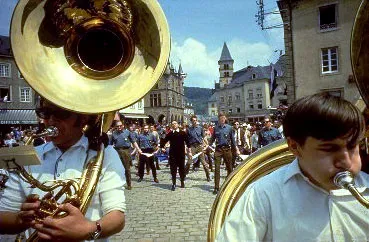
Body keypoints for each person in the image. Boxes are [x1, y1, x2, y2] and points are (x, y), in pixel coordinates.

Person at [216, 93, 369, 241]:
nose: (347, 162)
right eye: (329, 149)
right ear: (294, 146)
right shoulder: (263, 195)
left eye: (353, 146)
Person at [0, 101, 126, 241]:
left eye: (61, 114)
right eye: (45, 113)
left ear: (82, 117)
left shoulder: (105, 153)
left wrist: (88, 229)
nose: (51, 121)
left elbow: (117, 217)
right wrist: (21, 219)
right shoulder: (27, 156)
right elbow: (3, 216)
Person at [209, 113, 240, 195]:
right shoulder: (216, 128)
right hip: (218, 150)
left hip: (227, 149)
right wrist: (207, 146)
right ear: (219, 119)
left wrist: (236, 149)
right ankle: (216, 187)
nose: (222, 119)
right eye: (220, 118)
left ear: (225, 119)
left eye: (223, 118)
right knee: (217, 168)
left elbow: (233, 140)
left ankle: (229, 186)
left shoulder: (229, 128)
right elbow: (212, 139)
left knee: (230, 167)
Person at [160, 120, 191, 191]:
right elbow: (164, 141)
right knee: (173, 169)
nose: (174, 125)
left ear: (178, 124)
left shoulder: (183, 133)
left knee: (181, 169)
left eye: (175, 123)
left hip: (181, 154)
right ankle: (173, 183)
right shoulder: (170, 134)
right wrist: (162, 146)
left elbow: (188, 143)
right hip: (172, 154)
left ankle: (182, 181)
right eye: (172, 124)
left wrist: (189, 152)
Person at [112, 120, 141, 190]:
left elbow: (134, 142)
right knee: (116, 169)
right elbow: (110, 144)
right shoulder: (114, 134)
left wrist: (138, 149)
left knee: (127, 169)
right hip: (117, 151)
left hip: (126, 151)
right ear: (115, 127)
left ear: (123, 125)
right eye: (117, 126)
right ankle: (118, 183)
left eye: (120, 126)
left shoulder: (127, 132)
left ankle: (129, 184)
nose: (119, 127)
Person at [186, 115, 211, 181]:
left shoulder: (200, 128)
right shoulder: (188, 129)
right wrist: (187, 149)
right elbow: (186, 140)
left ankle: (208, 176)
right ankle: (184, 175)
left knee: (204, 162)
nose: (195, 122)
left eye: (195, 120)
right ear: (191, 121)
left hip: (199, 146)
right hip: (192, 147)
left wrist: (207, 144)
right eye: (193, 120)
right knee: (189, 161)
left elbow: (204, 137)